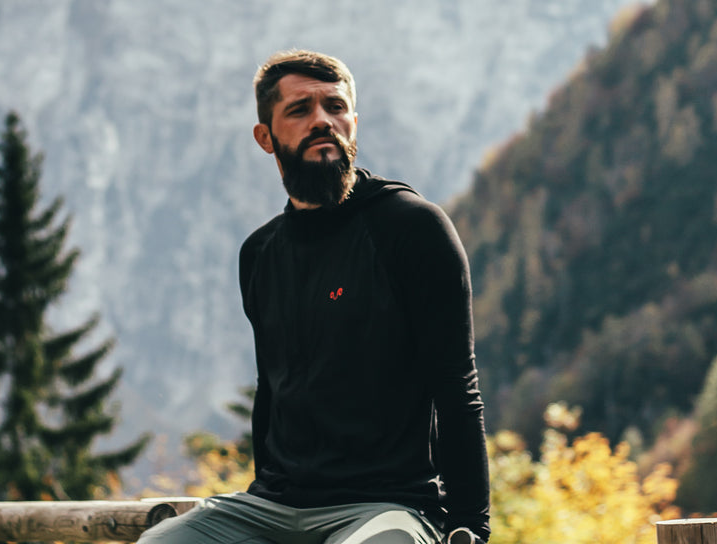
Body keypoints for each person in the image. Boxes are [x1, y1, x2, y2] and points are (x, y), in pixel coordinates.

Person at [138, 50, 490, 544]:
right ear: (266, 137)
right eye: (300, 110)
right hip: (272, 505)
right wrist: (264, 493)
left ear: (354, 124)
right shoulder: (259, 253)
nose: (323, 121)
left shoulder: (412, 227)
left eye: (335, 107)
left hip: (387, 506)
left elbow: (457, 389)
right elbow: (273, 392)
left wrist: (472, 526)